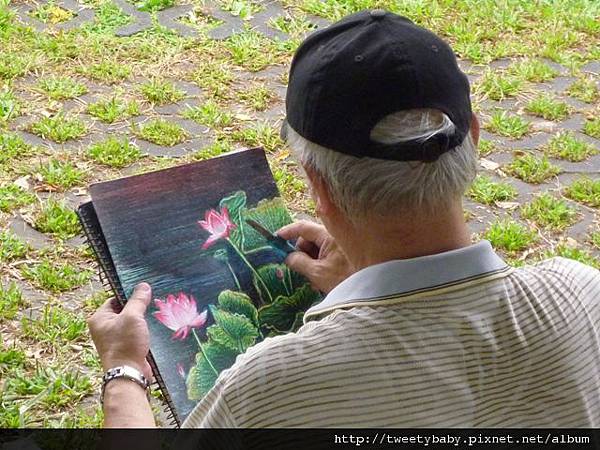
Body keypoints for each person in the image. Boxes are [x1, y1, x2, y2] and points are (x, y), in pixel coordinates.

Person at [88, 10, 600, 428]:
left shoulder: (267, 389)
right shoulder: (581, 294)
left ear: (319, 185)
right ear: (475, 137)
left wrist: (125, 370)